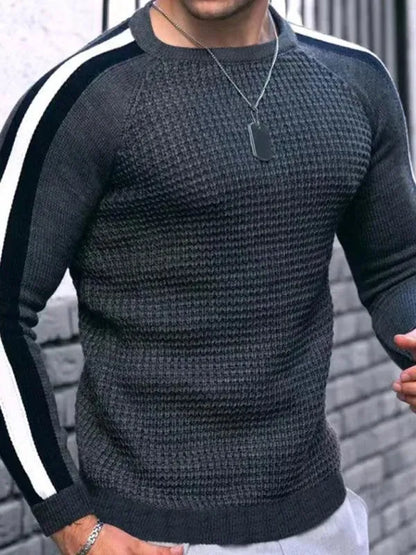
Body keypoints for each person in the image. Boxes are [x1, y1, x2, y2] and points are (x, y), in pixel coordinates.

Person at [1, 0, 415, 553]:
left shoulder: (355, 79)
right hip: (150, 539)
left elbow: (397, 265)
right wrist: (72, 523)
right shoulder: (84, 93)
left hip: (325, 523)